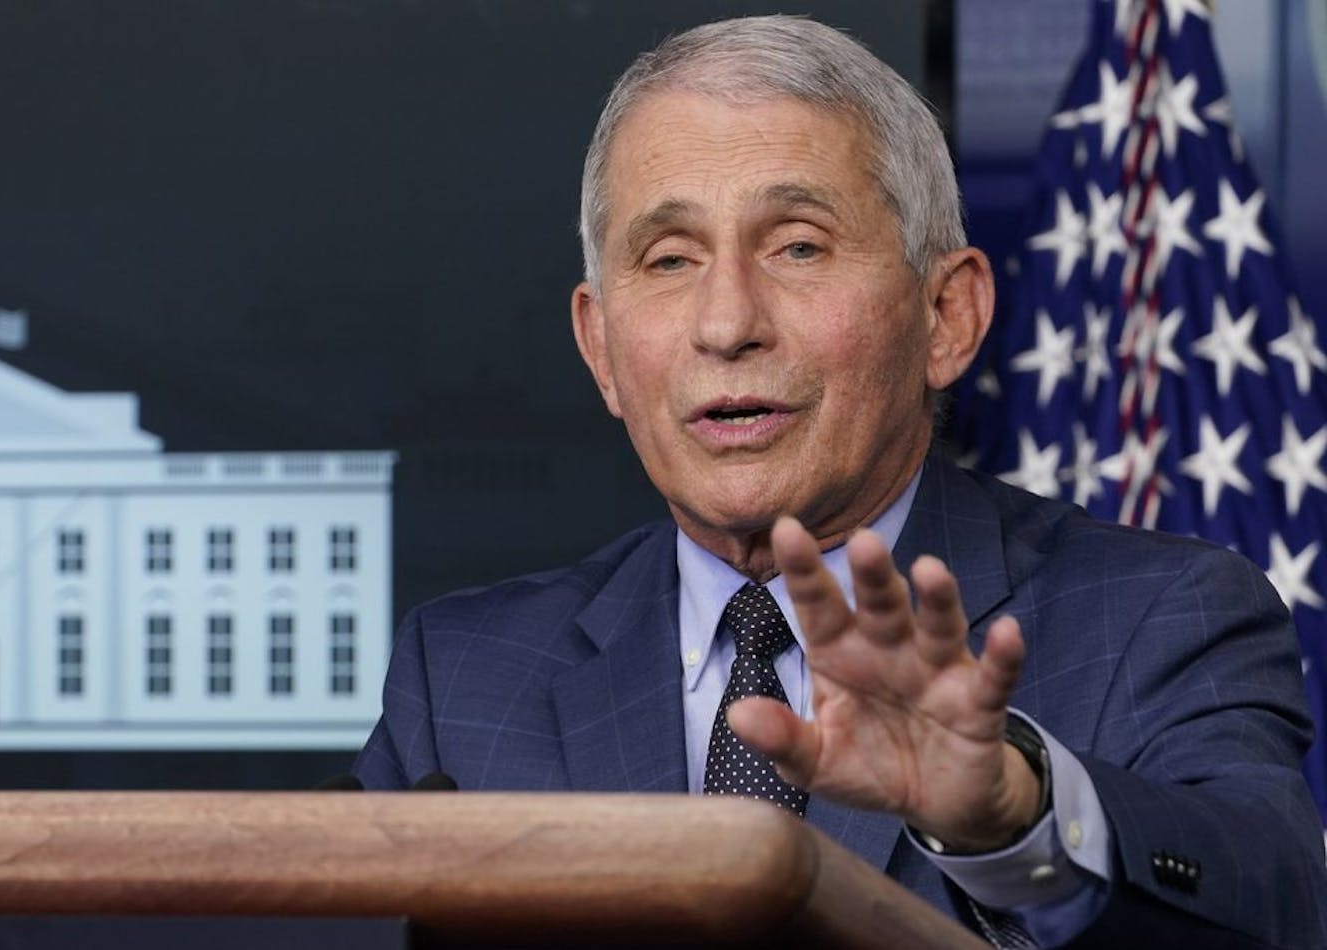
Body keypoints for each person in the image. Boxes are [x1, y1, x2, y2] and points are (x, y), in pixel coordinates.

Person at [355, 15, 1327, 946]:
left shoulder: (1161, 615)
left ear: (946, 315)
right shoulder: (464, 675)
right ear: (600, 347)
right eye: (668, 258)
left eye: (797, 245)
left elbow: (1274, 906)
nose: (726, 321)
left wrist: (1011, 817)